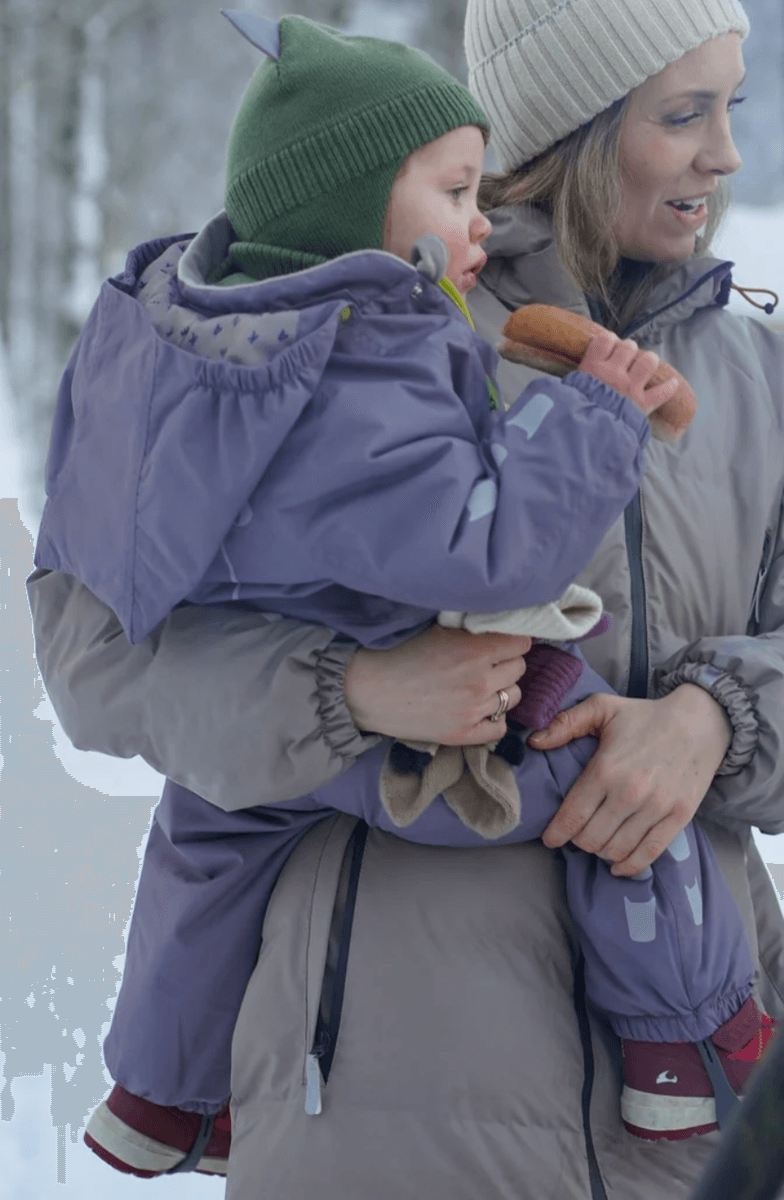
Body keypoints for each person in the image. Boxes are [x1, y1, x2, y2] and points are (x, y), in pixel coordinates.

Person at [26, 0, 784, 1196]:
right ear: (575, 127)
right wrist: (353, 690)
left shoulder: (757, 370)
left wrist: (713, 719)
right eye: (682, 115)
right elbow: (95, 658)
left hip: (694, 1141)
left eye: (728, 109)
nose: (724, 155)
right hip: (379, 1111)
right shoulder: (349, 330)